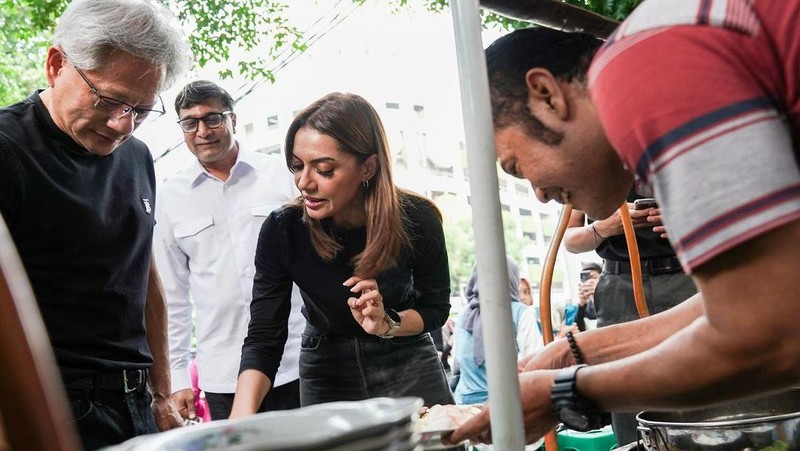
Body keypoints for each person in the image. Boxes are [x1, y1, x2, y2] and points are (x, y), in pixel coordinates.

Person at [449, 7, 800, 445]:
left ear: (545, 93)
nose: (537, 193)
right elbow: (754, 297)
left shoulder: (642, 68)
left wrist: (565, 393)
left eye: (517, 167)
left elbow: (772, 333)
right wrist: (574, 352)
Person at [0, 0, 192, 448]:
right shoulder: (8, 151)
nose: (122, 124)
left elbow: (143, 276)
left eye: (141, 110)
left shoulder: (136, 156)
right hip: (50, 406)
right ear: (55, 64)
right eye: (109, 99)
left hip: (135, 403)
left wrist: (162, 392)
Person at [229, 92, 455, 417]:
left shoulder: (418, 217)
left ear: (368, 167)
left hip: (406, 357)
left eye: (324, 170)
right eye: (296, 166)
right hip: (325, 366)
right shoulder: (283, 229)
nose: (304, 183)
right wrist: (238, 421)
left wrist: (387, 324)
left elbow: (435, 309)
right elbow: (265, 335)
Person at [153, 80, 305, 422]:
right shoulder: (171, 197)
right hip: (223, 372)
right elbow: (172, 299)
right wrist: (178, 379)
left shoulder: (281, 177)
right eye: (190, 122)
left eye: (212, 119)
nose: (202, 131)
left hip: (295, 357)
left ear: (233, 120)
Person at [565, 195, 696, 444]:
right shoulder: (591, 161)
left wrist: (687, 224)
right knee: (624, 392)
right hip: (619, 285)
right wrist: (606, 226)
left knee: (694, 377)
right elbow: (571, 239)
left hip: (685, 275)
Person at [453, 257, 543, 405]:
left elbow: (457, 363)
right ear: (512, 279)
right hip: (506, 408)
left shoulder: (464, 316)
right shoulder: (519, 312)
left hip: (464, 407)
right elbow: (535, 363)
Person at [573, 262, 600, 333]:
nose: (590, 281)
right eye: (586, 278)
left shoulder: (611, 296)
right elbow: (579, 329)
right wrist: (582, 304)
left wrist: (598, 293)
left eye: (594, 277)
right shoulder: (586, 305)